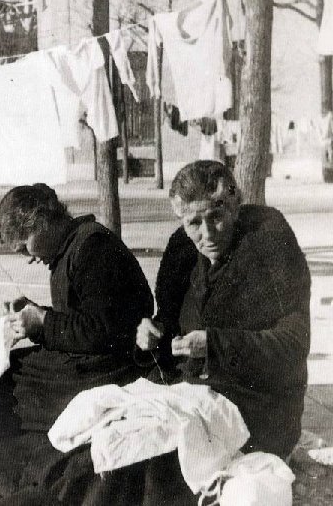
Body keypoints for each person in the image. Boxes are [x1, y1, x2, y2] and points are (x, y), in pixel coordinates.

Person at [0, 183, 154, 502]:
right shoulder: (73, 248)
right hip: (90, 360)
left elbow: (106, 330)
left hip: (111, 368)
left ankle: (15, 480)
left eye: (24, 245)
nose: (26, 256)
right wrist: (37, 314)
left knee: (2, 388)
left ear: (41, 223)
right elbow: (82, 319)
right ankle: (1, 471)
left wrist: (43, 322)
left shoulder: (93, 248)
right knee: (1, 375)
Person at [132, 160, 311, 504]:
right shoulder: (183, 248)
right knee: (125, 447)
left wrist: (215, 344)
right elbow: (169, 322)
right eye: (194, 223)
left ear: (235, 206)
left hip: (260, 407)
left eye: (217, 217)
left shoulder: (268, 238)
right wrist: (153, 335)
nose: (208, 234)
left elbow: (295, 342)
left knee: (163, 462)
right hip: (200, 395)